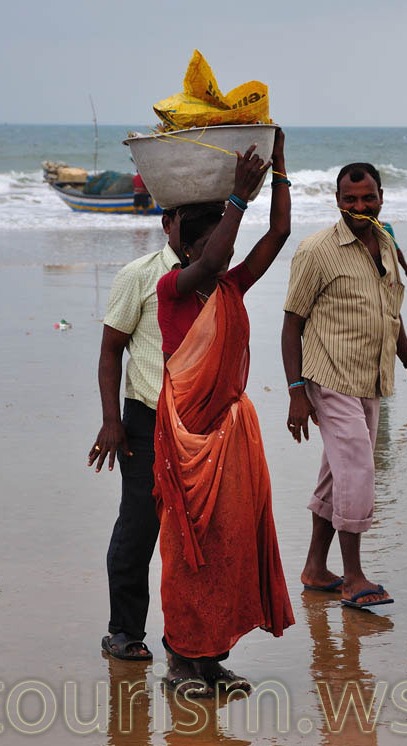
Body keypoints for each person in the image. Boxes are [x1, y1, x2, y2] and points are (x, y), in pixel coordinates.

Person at [153, 132, 295, 698]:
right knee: (187, 552)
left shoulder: (232, 286)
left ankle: (212, 660)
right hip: (188, 439)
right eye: (210, 240)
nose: (225, 250)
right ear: (189, 249)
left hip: (231, 436)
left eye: (226, 239)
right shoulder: (174, 288)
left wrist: (281, 169)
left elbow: (279, 233)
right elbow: (213, 259)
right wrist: (237, 199)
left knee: (229, 545)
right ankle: (180, 662)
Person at [282, 162, 407, 611]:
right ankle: (353, 576)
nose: (359, 207)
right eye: (350, 200)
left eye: (368, 198)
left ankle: (315, 568)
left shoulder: (384, 242)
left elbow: (391, 311)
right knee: (358, 471)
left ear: (381, 197)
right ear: (337, 201)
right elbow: (291, 324)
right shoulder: (316, 251)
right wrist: (295, 393)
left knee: (337, 474)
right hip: (328, 379)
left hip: (371, 379)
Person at [88, 206, 186, 661]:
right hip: (144, 420)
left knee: (191, 534)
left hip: (196, 424)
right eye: (186, 222)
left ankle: (186, 641)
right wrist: (112, 421)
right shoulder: (138, 275)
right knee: (139, 526)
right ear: (167, 224)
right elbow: (111, 351)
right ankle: (124, 631)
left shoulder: (214, 276)